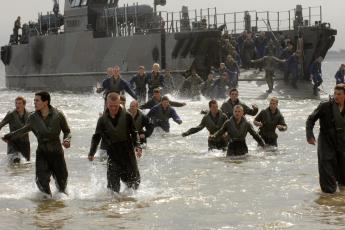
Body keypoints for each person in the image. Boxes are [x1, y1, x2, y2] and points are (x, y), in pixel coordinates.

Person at [2, 91, 71, 197]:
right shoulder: (33, 117)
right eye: (34, 100)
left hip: (56, 153)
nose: (34, 102)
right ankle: (46, 205)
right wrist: (9, 136)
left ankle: (60, 207)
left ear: (45, 102)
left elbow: (67, 131)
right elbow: (23, 130)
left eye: (37, 100)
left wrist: (67, 140)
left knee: (62, 183)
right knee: (41, 181)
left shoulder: (58, 115)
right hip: (42, 153)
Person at [88, 93, 142, 193]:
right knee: (113, 188)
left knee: (133, 183)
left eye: (116, 106)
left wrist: (138, 146)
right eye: (111, 106)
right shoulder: (102, 120)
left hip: (127, 152)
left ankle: (130, 205)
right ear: (107, 104)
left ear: (120, 103)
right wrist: (92, 152)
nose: (113, 108)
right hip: (112, 152)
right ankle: (114, 206)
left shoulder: (127, 116)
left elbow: (134, 133)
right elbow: (96, 137)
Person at [306, 84, 345, 193]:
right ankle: (327, 201)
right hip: (326, 143)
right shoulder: (325, 106)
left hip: (341, 144)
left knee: (343, 178)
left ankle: (339, 205)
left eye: (339, 94)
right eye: (335, 93)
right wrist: (310, 135)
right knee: (327, 173)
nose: (336, 96)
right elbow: (310, 120)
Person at [0, 96, 30, 163]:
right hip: (13, 142)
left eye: (19, 103)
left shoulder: (29, 114)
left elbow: (33, 128)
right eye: (16, 103)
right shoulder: (11, 114)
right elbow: (1, 124)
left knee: (26, 164)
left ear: (24, 104)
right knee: (15, 160)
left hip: (25, 143)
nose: (17, 105)